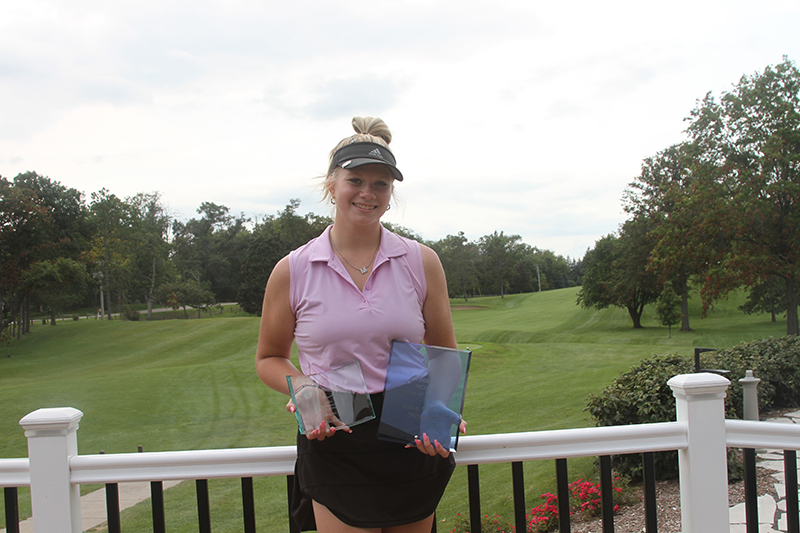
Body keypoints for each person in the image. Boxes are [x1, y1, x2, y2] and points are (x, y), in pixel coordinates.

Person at [255, 116, 466, 532]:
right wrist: (305, 388)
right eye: (356, 180)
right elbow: (269, 357)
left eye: (381, 184)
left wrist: (442, 407)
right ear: (331, 185)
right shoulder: (293, 269)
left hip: (409, 434)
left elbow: (444, 353)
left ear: (391, 194)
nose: (367, 193)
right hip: (336, 434)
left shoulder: (421, 261)